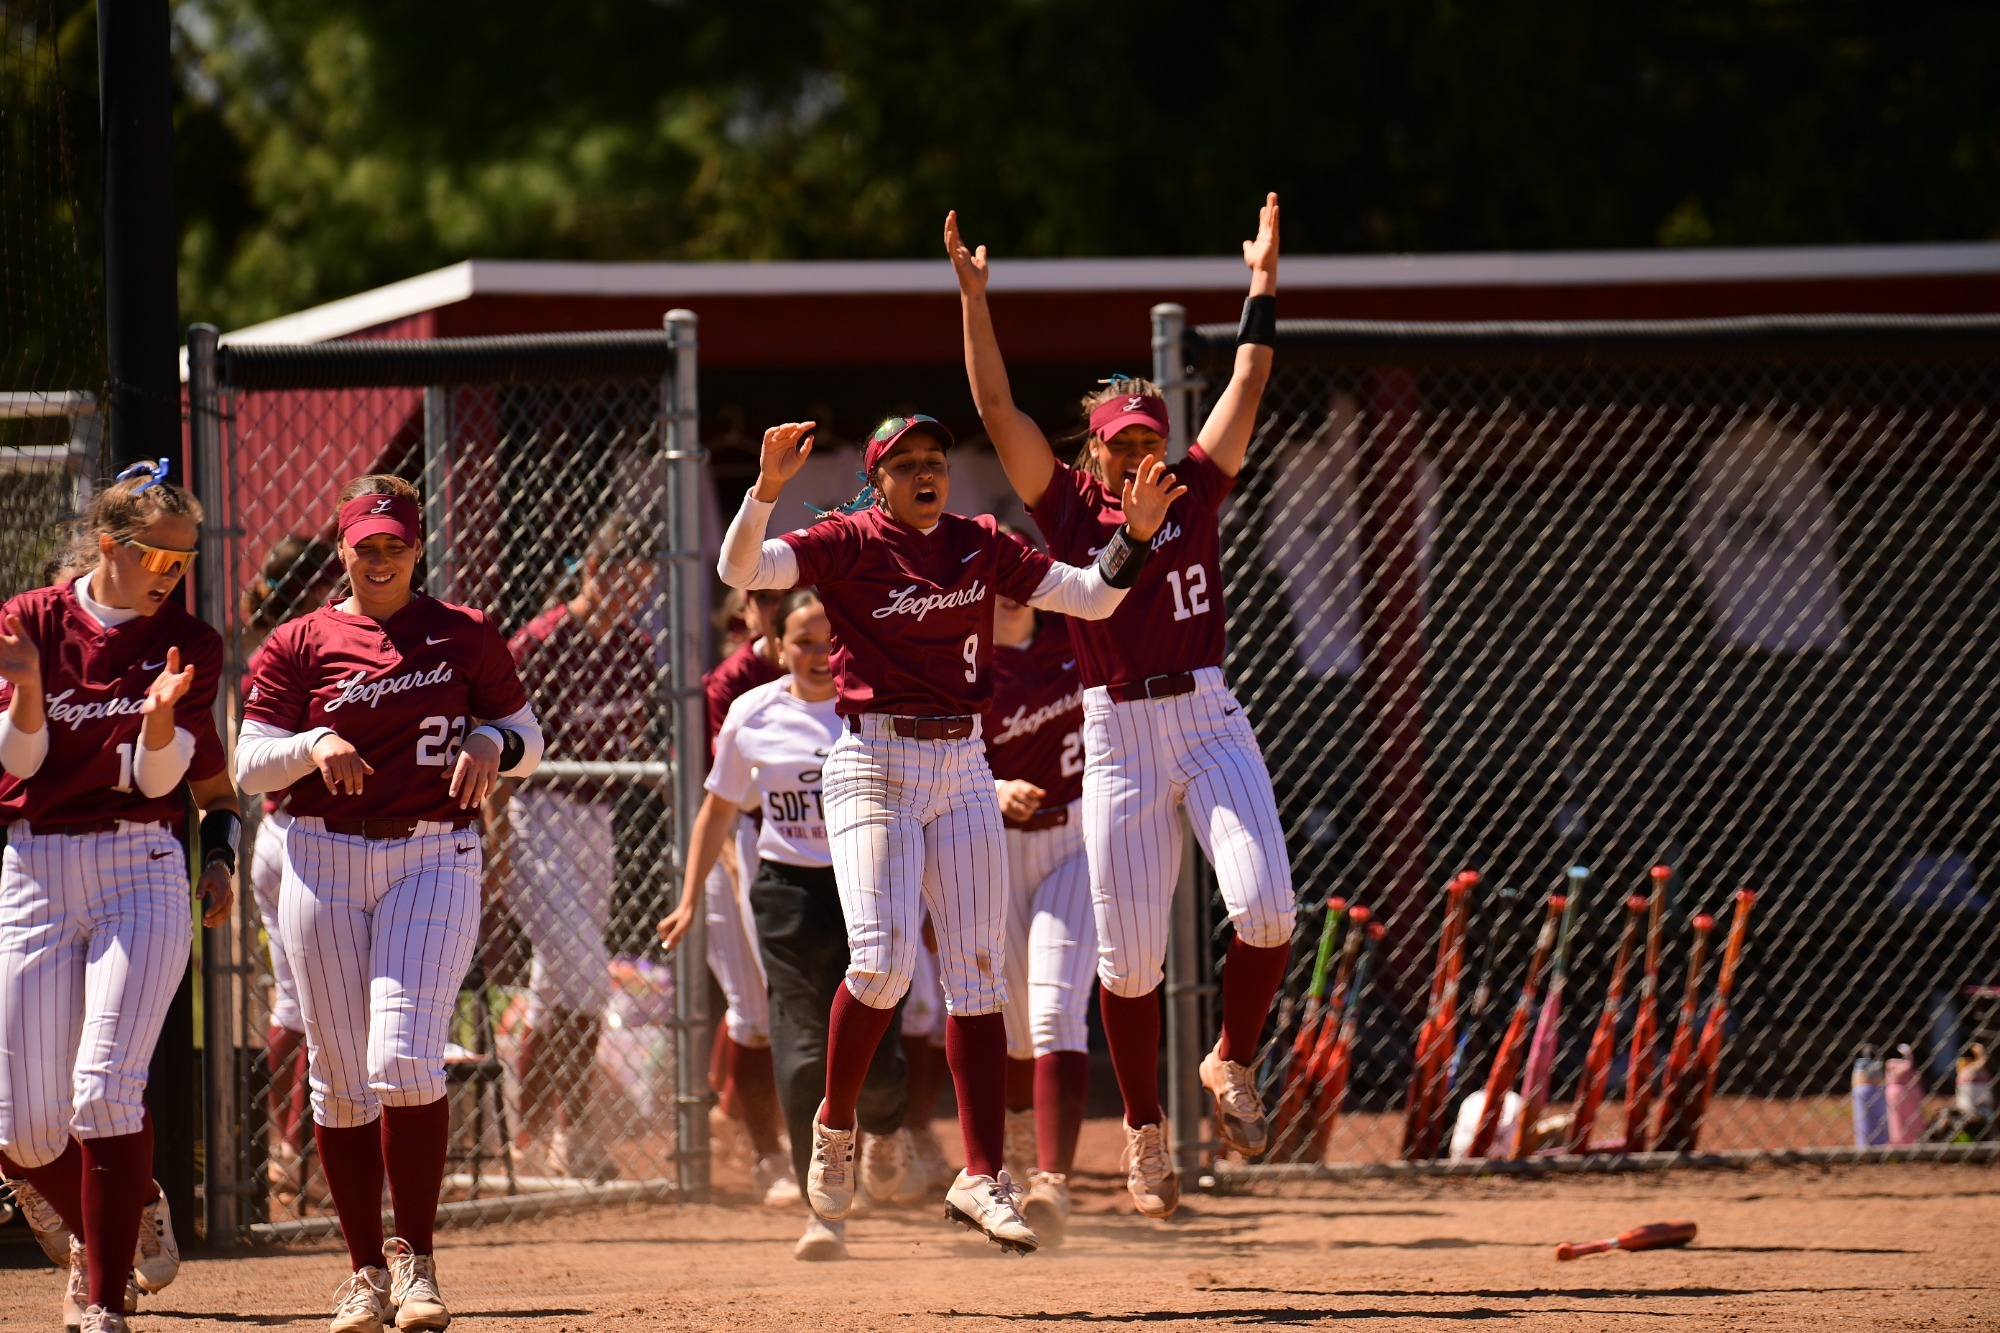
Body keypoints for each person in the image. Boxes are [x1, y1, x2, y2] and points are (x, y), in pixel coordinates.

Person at [717, 413, 1177, 1252]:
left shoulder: (979, 540)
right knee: (882, 963)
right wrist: (767, 489)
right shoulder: (849, 539)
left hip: (964, 762)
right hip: (873, 761)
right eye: (907, 463)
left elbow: (1091, 594)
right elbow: (740, 568)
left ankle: (981, 1175)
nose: (927, 472)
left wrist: (1136, 537)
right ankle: (835, 1124)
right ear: (877, 479)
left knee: (977, 975)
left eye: (936, 459)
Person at [948, 193, 1296, 1219]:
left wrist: (1261, 284)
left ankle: (1231, 1059)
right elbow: (997, 411)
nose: (1138, 453)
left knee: (1268, 907)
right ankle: (1146, 1134)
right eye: (1120, 441)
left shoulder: (1193, 486)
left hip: (1207, 714)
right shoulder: (1066, 507)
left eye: (1148, 436)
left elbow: (1247, 377)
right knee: (1129, 959)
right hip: (1120, 734)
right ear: (1094, 450)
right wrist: (973, 300)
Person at [235, 475, 543, 1333]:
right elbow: (250, 763)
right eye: (365, 545)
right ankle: (363, 1271)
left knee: (404, 1059)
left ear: (417, 548)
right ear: (343, 549)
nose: (379, 559)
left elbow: (529, 737)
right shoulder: (300, 640)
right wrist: (313, 740)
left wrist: (491, 736)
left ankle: (416, 1261)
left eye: (394, 545)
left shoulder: (464, 630)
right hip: (322, 854)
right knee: (339, 1080)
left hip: (432, 852)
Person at [0, 459, 235, 1333]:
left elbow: (161, 781)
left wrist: (162, 716)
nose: (171, 574)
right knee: (24, 1130)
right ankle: (129, 1207)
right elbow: (19, 762)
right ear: (110, 545)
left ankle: (101, 1299)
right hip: (36, 865)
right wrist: (29, 688)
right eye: (157, 557)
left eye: (184, 561)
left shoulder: (189, 641)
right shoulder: (32, 617)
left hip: (139, 861)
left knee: (103, 1091)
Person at [660, 589, 905, 1259]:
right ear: (777, 645)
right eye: (804, 641)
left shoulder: (878, 704)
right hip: (789, 891)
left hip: (868, 883)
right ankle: (822, 1211)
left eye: (831, 640)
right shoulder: (754, 711)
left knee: (879, 1062)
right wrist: (689, 897)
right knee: (801, 1053)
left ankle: (886, 1126)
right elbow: (718, 807)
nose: (820, 654)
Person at [492, 512, 655, 1184]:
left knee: (557, 980)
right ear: (591, 571)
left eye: (642, 586)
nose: (632, 597)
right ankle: (574, 1129)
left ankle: (528, 1134)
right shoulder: (541, 642)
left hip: (598, 818)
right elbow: (493, 733)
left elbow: (633, 733)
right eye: (622, 582)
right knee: (586, 975)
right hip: (536, 812)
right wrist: (496, 830)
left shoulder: (635, 647)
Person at [985, 579, 1091, 1245]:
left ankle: (1052, 1180)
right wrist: (992, 785)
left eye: (1019, 583)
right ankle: (1019, 1147)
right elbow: (941, 757)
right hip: (997, 847)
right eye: (996, 586)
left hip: (1075, 840)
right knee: (1014, 1030)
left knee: (1056, 1010)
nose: (1010, 595)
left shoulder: (1079, 639)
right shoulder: (966, 661)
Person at [241, 533, 341, 1197]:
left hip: (282, 837)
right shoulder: (298, 650)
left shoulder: (272, 649)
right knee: (318, 1004)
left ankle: (287, 1147)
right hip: (304, 839)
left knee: (297, 1002)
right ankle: (296, 1148)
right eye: (328, 586)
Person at [700, 584, 791, 1201]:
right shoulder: (733, 680)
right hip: (740, 842)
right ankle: (767, 1154)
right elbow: (722, 795)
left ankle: (741, 1117)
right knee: (753, 1010)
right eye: (761, 597)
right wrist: (735, 869)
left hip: (801, 846)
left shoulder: (830, 664)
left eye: (782, 595)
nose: (771, 608)